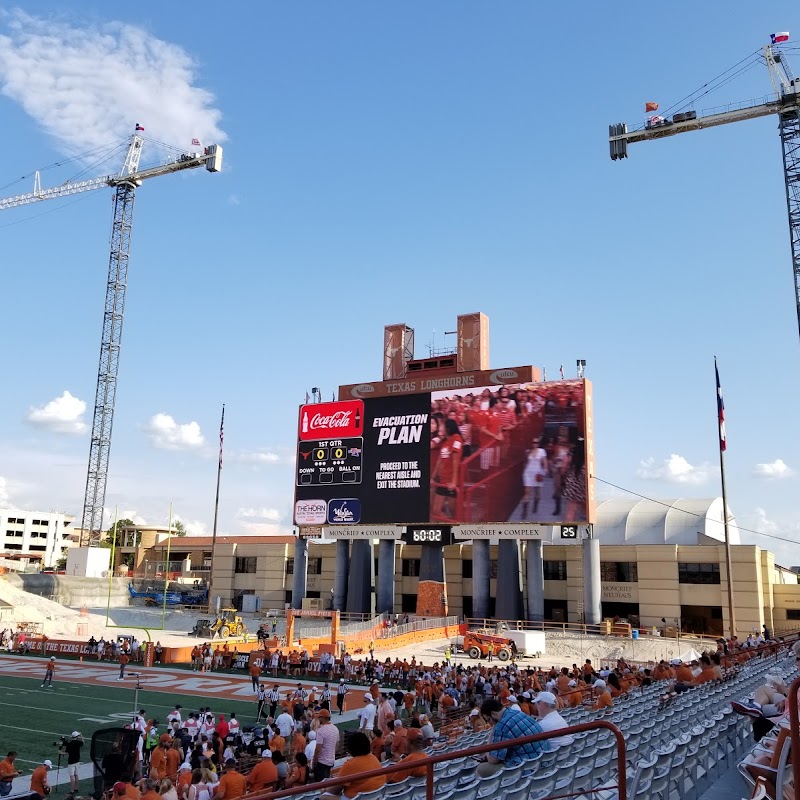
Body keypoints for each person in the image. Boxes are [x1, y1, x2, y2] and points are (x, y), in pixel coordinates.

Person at [476, 698, 547, 777]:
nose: (490, 723)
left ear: (493, 714)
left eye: (488, 720)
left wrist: (493, 730)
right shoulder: (515, 712)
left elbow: (492, 760)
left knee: (481, 769)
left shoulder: (501, 726)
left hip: (531, 765)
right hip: (544, 757)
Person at [322, 732, 385, 799]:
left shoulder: (350, 765)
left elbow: (335, 790)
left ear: (350, 748)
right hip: (376, 796)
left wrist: (323, 790)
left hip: (357, 797)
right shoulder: (374, 758)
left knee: (324, 797)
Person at [521, 436, 548, 517]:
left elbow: (545, 462)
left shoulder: (541, 451)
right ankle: (524, 512)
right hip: (528, 473)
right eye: (533, 442)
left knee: (537, 492)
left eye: (536, 442)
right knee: (527, 491)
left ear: (538, 443)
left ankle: (535, 505)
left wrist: (545, 471)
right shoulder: (528, 451)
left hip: (538, 473)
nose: (535, 444)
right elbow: (525, 462)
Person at [311, 709, 339, 781]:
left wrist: (314, 762)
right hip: (331, 761)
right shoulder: (335, 729)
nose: (319, 719)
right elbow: (337, 744)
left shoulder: (321, 730)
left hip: (322, 762)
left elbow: (318, 749)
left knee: (319, 784)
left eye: (319, 718)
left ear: (323, 718)